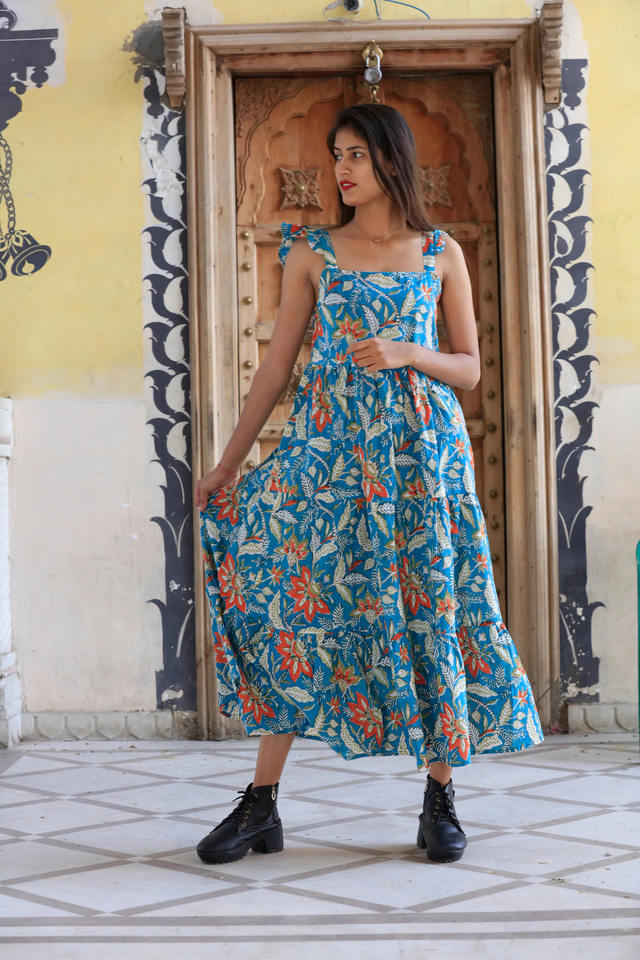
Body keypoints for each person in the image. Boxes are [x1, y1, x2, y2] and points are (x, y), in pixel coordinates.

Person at [195, 103, 545, 866]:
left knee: (432, 602)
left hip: (423, 460)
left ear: (392, 159)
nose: (342, 169)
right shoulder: (311, 251)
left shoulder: (440, 252)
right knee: (299, 607)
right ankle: (260, 804)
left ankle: (439, 796)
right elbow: (276, 368)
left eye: (356, 154)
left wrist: (406, 352)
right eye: (337, 155)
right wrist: (228, 463)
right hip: (329, 461)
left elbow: (470, 369)